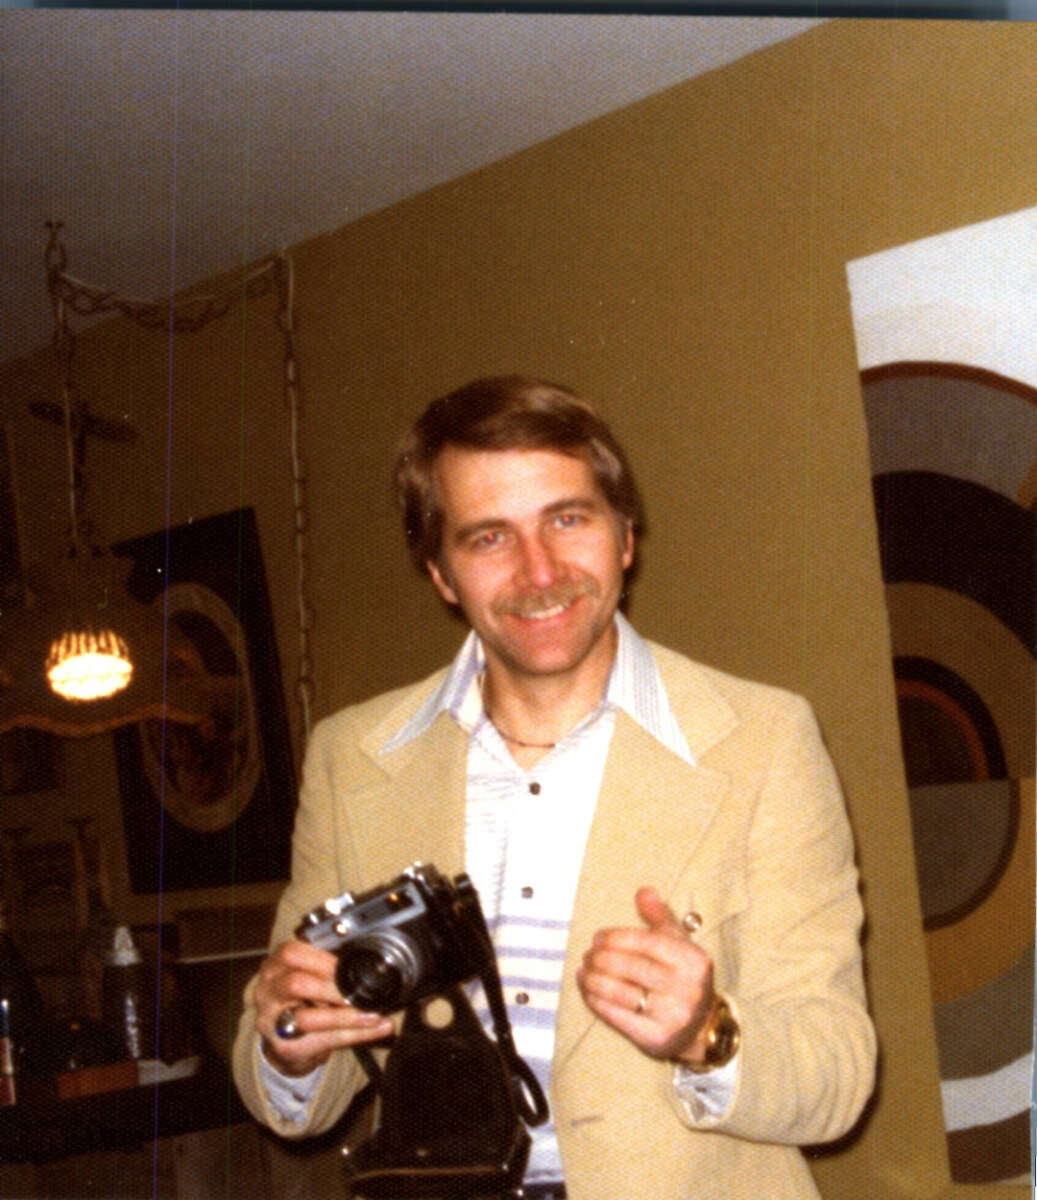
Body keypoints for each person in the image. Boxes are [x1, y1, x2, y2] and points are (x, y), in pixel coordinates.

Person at [233, 375, 876, 1199]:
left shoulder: (764, 740)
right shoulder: (353, 756)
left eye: (567, 519)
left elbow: (838, 1075)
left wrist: (705, 1033)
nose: (540, 572)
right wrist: (290, 1043)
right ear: (439, 573)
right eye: (488, 537)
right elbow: (296, 1097)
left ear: (624, 537)